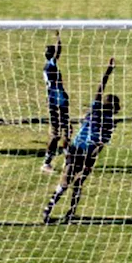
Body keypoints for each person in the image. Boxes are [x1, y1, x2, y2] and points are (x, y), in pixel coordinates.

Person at [43, 58, 118, 224]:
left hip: (75, 148)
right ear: (114, 108)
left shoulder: (95, 110)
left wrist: (108, 71)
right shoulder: (110, 122)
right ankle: (69, 213)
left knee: (66, 180)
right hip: (86, 154)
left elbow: (100, 87)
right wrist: (91, 160)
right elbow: (101, 145)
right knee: (77, 183)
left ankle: (49, 210)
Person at [41, 31, 72, 174]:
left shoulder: (48, 66)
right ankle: (47, 162)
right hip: (56, 102)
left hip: (60, 101)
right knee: (57, 133)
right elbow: (58, 51)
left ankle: (68, 159)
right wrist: (58, 38)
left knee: (67, 130)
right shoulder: (50, 65)